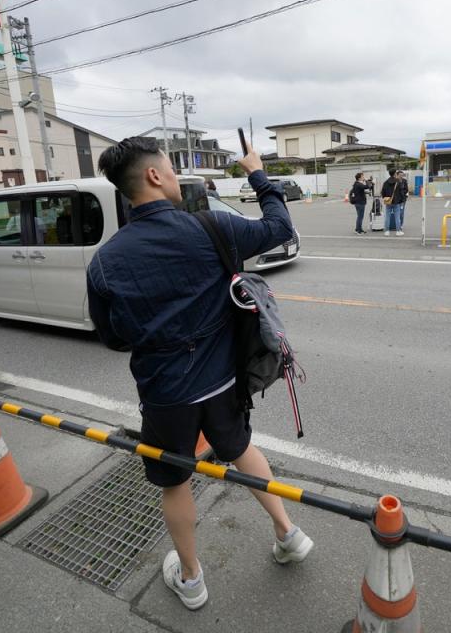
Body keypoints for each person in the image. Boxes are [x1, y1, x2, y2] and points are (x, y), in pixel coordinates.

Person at [87, 137, 313, 612]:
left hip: (166, 393)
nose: (172, 174)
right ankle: (287, 533)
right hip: (225, 381)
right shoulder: (213, 228)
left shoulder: (105, 261)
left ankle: (191, 579)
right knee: (240, 448)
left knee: (175, 481)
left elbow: (112, 338)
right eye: (169, 167)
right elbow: (279, 226)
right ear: (153, 176)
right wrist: (256, 172)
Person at [394, 170, 409, 236]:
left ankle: (401, 224)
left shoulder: (404, 181)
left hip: (402, 199)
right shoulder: (394, 181)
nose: (401, 176)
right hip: (396, 199)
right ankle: (396, 225)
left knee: (401, 212)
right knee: (396, 213)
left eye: (402, 175)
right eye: (400, 175)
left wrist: (402, 193)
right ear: (397, 175)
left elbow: (406, 189)